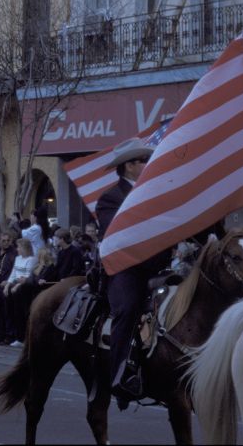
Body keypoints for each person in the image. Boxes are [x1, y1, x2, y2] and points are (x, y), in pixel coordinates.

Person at [98, 138, 169, 409]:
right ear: (129, 166)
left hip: (159, 265)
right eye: (144, 161)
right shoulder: (110, 198)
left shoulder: (156, 192)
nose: (148, 165)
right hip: (125, 269)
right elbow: (116, 234)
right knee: (127, 309)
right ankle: (118, 377)